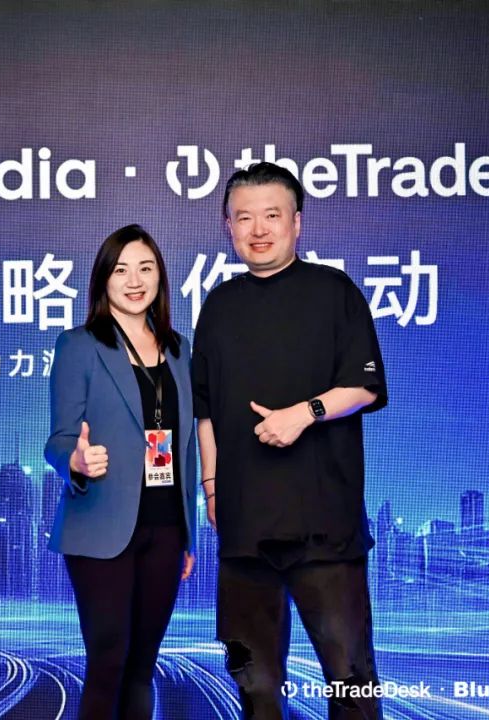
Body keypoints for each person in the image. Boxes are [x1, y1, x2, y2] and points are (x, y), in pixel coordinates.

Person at [192, 162, 388, 720]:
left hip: (325, 529)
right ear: (228, 226)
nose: (258, 230)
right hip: (244, 535)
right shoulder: (218, 306)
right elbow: (205, 412)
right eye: (243, 218)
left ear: (296, 223)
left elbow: (366, 386)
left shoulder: (334, 292)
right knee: (254, 688)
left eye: (272, 215)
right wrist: (212, 489)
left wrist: (304, 414)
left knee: (351, 681)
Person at [44, 224, 197, 720]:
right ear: (103, 280)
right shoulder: (79, 345)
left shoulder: (180, 350)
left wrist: (189, 536)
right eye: (121, 270)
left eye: (146, 269)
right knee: (108, 660)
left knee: (142, 666)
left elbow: (186, 446)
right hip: (100, 526)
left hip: (166, 529)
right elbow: (60, 439)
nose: (135, 281)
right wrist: (76, 460)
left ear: (160, 278)